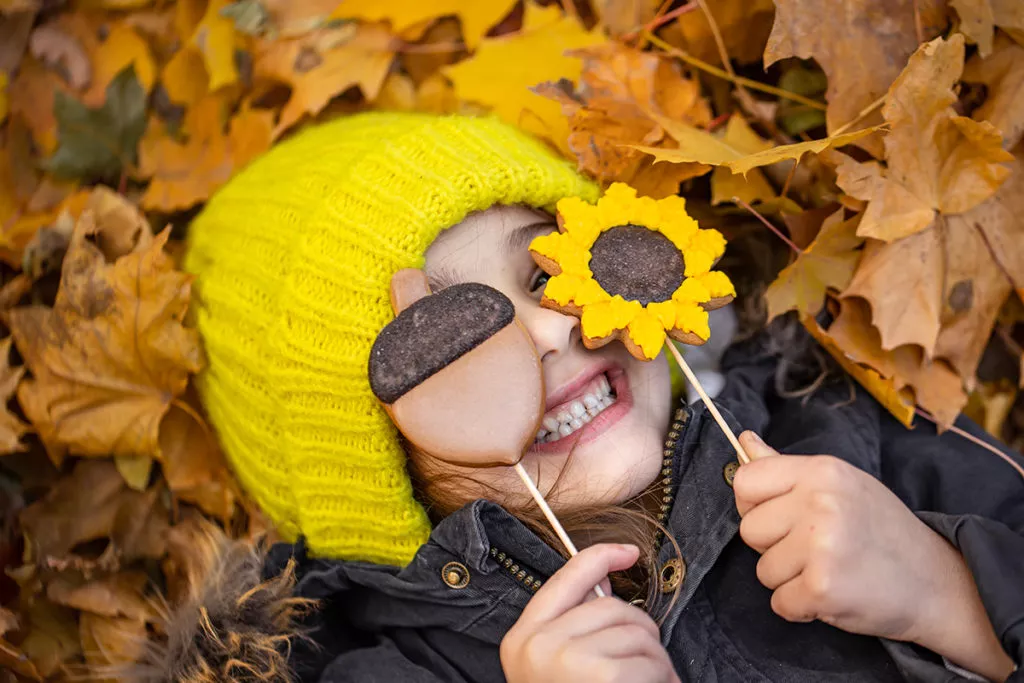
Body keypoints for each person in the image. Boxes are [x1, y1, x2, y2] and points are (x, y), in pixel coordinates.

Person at [148, 112, 1022, 683]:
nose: (549, 331)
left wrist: (949, 597)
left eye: (543, 271)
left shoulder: (836, 431)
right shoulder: (386, 672)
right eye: (452, 341)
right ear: (368, 470)